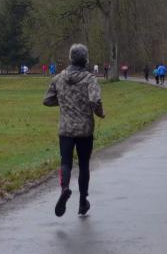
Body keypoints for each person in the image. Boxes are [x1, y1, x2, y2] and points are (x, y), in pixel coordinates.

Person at [43, 43, 105, 217]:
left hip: (65, 129)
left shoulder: (58, 78)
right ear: (85, 59)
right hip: (85, 130)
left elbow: (47, 100)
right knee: (84, 164)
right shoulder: (90, 79)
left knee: (66, 162)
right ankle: (83, 202)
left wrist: (64, 101)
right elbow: (95, 101)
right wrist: (101, 113)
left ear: (71, 58)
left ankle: (64, 188)